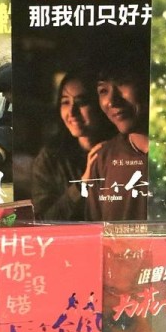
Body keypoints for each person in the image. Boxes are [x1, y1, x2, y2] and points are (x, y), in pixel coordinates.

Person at [31, 71, 115, 221]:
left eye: (81, 102)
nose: (72, 112)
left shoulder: (121, 151)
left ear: (99, 104)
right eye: (65, 102)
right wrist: (82, 184)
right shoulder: (50, 158)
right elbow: (41, 220)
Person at [84, 60, 150, 222]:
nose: (112, 101)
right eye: (103, 90)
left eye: (122, 83)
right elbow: (95, 229)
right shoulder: (103, 159)